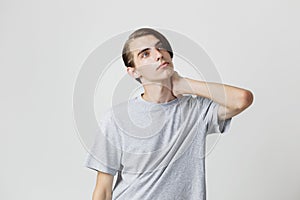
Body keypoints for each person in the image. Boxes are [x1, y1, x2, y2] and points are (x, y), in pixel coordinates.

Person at [84, 28, 254, 200]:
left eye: (160, 48)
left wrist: (185, 84)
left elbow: (242, 99)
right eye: (145, 54)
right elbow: (103, 190)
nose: (158, 55)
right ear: (133, 71)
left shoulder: (197, 110)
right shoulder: (117, 118)